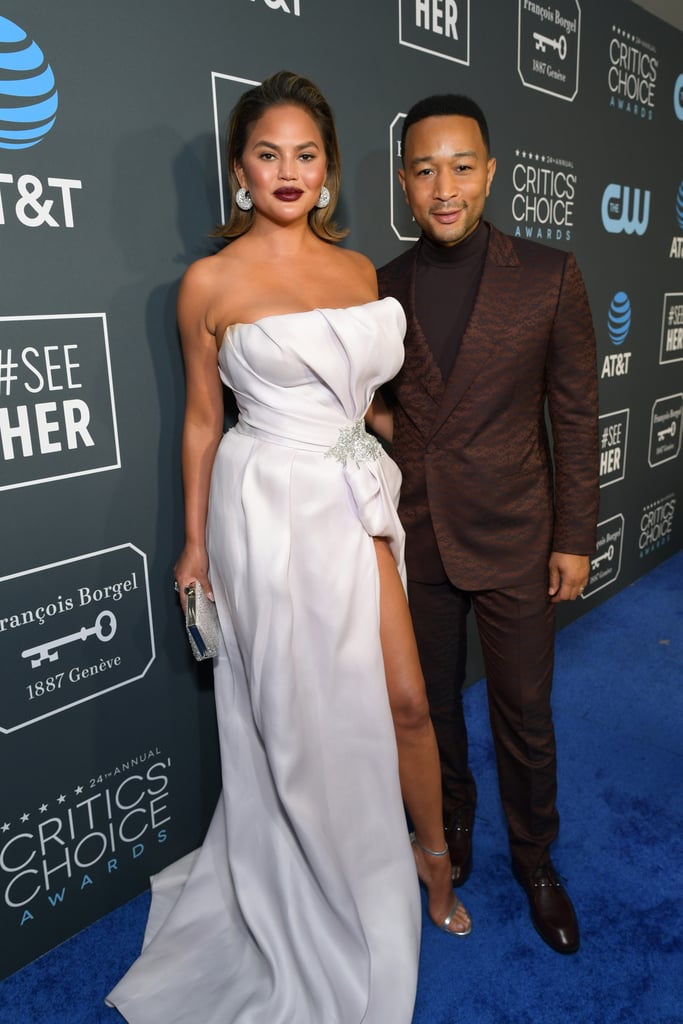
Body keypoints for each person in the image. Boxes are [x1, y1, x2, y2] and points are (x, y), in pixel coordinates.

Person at [107, 72, 470, 1024]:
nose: (287, 171)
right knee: (295, 719)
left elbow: (364, 406)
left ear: (331, 172)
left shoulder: (359, 276)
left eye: (306, 154)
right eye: (267, 153)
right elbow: (198, 422)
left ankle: (427, 861)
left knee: (403, 700)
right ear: (240, 171)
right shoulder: (209, 284)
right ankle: (307, 881)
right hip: (263, 506)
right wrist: (193, 546)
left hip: (351, 499)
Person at [378, 93, 599, 956]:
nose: (444, 187)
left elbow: (575, 418)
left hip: (515, 534)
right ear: (402, 182)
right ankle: (452, 828)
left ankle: (537, 861)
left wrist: (573, 536)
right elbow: (379, 410)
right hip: (416, 534)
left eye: (461, 167)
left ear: (490, 173)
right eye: (424, 169)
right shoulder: (378, 287)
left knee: (523, 710)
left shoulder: (549, 274)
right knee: (428, 709)